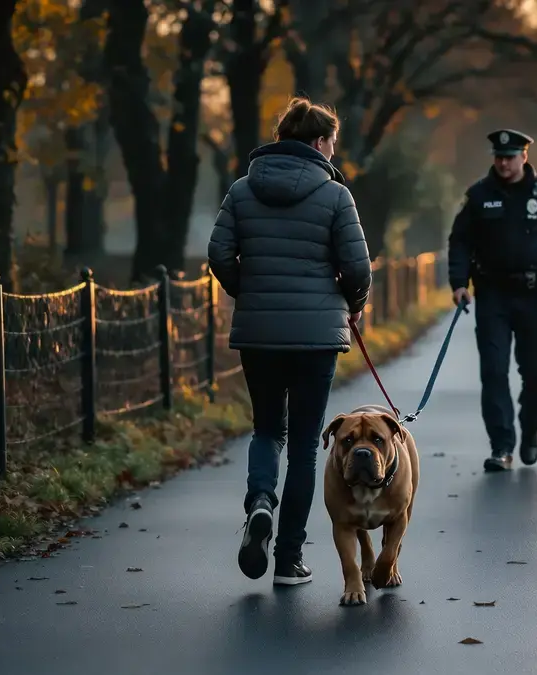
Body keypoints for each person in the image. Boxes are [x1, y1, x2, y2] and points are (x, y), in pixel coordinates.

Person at [207, 96, 371, 586]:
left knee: (266, 431)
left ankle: (260, 501)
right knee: (303, 446)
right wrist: (352, 303)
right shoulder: (336, 195)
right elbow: (358, 267)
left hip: (259, 334)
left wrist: (248, 291)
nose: (334, 153)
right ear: (320, 142)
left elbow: (219, 253)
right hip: (316, 338)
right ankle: (288, 560)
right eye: (333, 144)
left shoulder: (240, 190)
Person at [446, 128, 537, 473]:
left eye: (510, 157)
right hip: (493, 297)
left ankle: (531, 429)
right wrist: (459, 283)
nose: (504, 163)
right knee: (493, 372)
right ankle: (501, 447)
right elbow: (460, 240)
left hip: (535, 298)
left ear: (524, 156)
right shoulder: (479, 196)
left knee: (535, 376)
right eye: (499, 157)